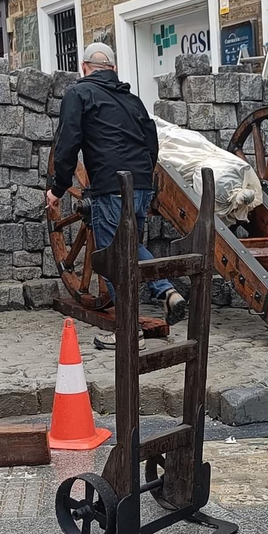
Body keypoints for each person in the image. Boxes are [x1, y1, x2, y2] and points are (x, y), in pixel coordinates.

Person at [46, 41, 187, 348]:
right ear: (112, 69)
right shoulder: (133, 100)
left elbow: (68, 142)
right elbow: (151, 142)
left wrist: (57, 189)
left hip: (110, 186)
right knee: (131, 245)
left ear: (84, 68)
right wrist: (144, 181)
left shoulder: (78, 93)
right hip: (140, 184)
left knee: (111, 257)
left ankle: (128, 331)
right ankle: (166, 291)